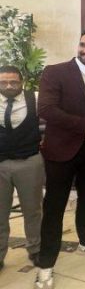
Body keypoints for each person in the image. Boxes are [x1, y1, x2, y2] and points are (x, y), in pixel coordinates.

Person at [35, 29, 85, 289]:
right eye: (83, 45)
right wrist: (84, 124)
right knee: (54, 206)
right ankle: (46, 263)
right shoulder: (55, 72)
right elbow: (46, 109)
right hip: (62, 150)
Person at [0, 66, 44, 271]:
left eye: (14, 82)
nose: (9, 86)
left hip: (29, 162)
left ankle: (35, 249)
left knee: (33, 210)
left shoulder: (34, 98)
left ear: (22, 82)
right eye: (3, 82)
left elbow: (50, 120)